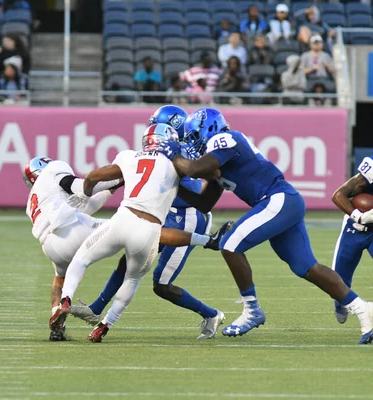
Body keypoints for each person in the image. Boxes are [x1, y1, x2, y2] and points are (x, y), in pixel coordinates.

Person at [156, 108, 373, 344]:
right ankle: (363, 309)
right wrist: (176, 185)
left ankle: (252, 310)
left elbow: (194, 168)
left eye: (194, 137)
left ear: (209, 129)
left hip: (278, 199)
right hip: (283, 202)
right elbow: (204, 203)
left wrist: (174, 157)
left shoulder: (228, 138)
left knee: (230, 244)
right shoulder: (217, 162)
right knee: (306, 267)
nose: (193, 144)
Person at [70, 106, 229, 340]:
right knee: (129, 257)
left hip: (187, 217)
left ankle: (212, 314)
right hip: (168, 214)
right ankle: (96, 308)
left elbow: (195, 189)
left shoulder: (182, 153)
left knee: (161, 285)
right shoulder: (165, 152)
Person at [50, 124, 195, 343]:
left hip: (122, 219)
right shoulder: (176, 164)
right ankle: (104, 326)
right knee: (132, 278)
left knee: (80, 260)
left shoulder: (129, 157)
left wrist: (86, 193)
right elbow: (196, 188)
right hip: (149, 229)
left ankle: (65, 300)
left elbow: (92, 177)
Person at [23, 157, 120, 340]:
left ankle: (57, 324)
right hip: (73, 230)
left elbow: (83, 207)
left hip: (51, 246)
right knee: (131, 228)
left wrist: (110, 190)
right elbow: (80, 187)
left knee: (59, 278)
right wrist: (119, 179)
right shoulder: (54, 169)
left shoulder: (33, 200)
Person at [330, 156, 373, 325]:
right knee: (337, 281)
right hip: (355, 228)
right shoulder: (369, 171)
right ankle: (341, 302)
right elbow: (338, 195)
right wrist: (359, 216)